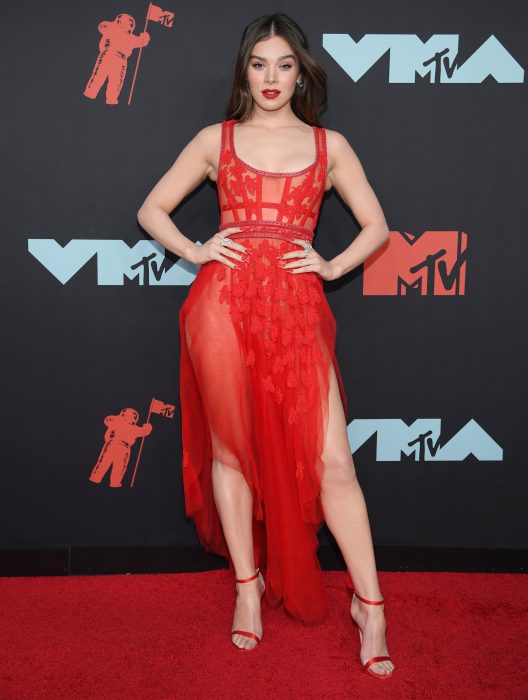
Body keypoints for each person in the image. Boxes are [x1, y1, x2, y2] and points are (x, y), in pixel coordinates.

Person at [137, 13, 395, 680]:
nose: (272, 78)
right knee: (230, 451)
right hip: (220, 306)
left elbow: (377, 227)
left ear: (301, 73)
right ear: (243, 73)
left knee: (334, 462)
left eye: (284, 65)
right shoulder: (213, 140)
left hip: (297, 310)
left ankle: (371, 607)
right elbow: (150, 209)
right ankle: (247, 591)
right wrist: (196, 249)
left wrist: (333, 266)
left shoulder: (329, 146)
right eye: (259, 64)